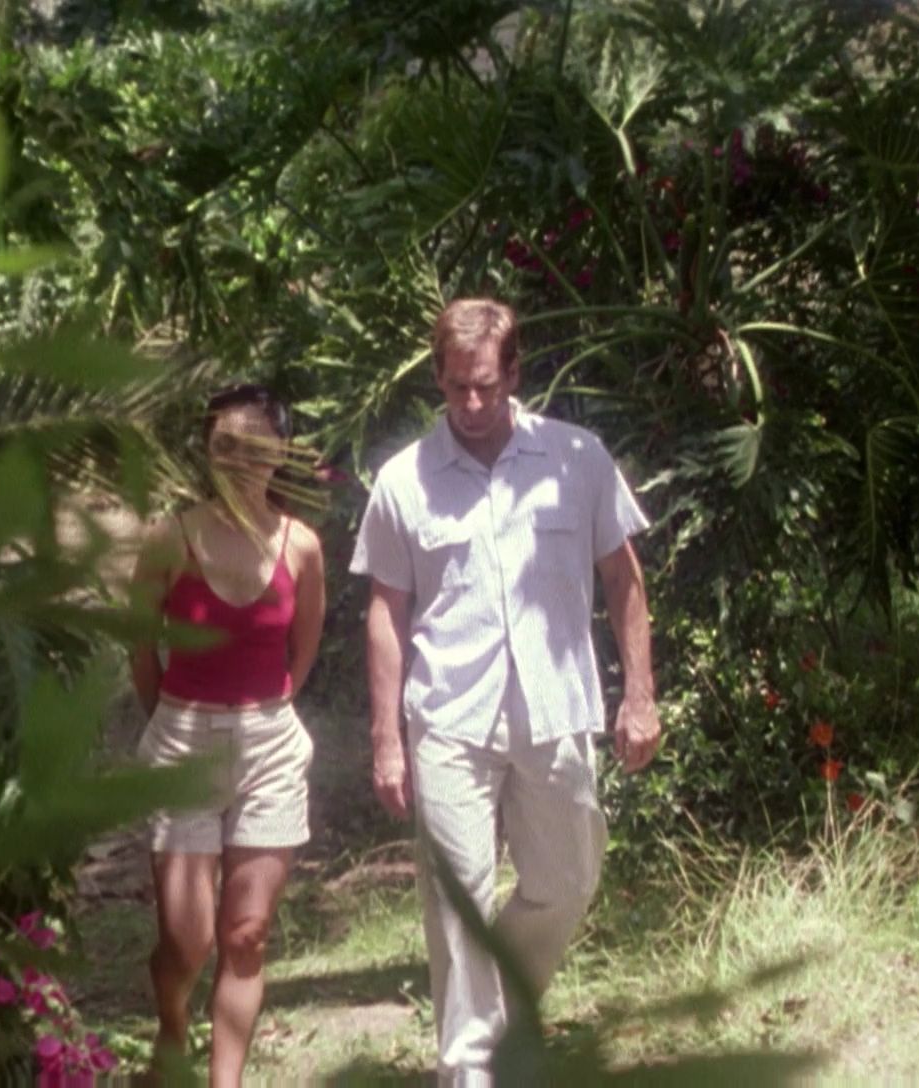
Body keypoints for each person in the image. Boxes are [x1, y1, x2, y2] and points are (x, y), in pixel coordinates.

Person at [349, 298, 661, 1086]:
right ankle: (469, 1071)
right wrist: (386, 738)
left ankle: (497, 1013)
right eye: (457, 387)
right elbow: (386, 611)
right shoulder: (403, 481)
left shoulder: (577, 458)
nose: (472, 403)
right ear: (438, 379)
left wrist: (640, 695)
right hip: (448, 717)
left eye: (486, 385)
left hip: (556, 707)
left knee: (568, 880)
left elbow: (623, 579)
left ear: (515, 372)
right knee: (459, 905)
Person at [127, 383, 327, 1087]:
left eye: (255, 447)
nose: (240, 461)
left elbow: (304, 649)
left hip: (269, 745)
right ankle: (171, 1030)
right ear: (207, 454)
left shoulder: (302, 546)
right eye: (225, 447)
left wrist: (266, 713)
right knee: (187, 943)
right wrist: (172, 721)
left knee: (246, 935)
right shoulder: (170, 539)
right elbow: (140, 647)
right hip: (183, 741)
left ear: (281, 454)